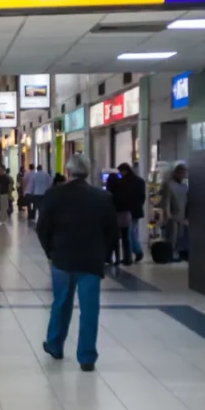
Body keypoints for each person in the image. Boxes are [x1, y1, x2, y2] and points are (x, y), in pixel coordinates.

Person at [36, 155, 117, 371]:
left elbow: (42, 227)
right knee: (90, 308)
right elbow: (112, 232)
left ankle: (55, 344)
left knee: (61, 302)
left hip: (62, 258)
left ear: (68, 171)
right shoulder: (103, 197)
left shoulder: (55, 194)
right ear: (88, 172)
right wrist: (104, 255)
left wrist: (50, 251)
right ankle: (87, 356)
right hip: (91, 259)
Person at [118, 163, 147, 263]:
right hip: (137, 210)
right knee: (133, 232)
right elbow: (143, 197)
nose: (120, 174)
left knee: (128, 234)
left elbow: (121, 198)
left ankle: (136, 252)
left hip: (126, 211)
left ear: (124, 171)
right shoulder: (140, 181)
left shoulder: (123, 182)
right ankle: (136, 252)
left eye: (120, 171)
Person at [162, 163, 189, 261]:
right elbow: (166, 202)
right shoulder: (169, 185)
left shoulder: (184, 187)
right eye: (182, 172)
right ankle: (171, 253)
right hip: (173, 216)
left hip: (181, 216)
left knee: (180, 237)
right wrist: (168, 216)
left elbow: (187, 202)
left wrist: (187, 216)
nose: (183, 175)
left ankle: (178, 253)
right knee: (172, 237)